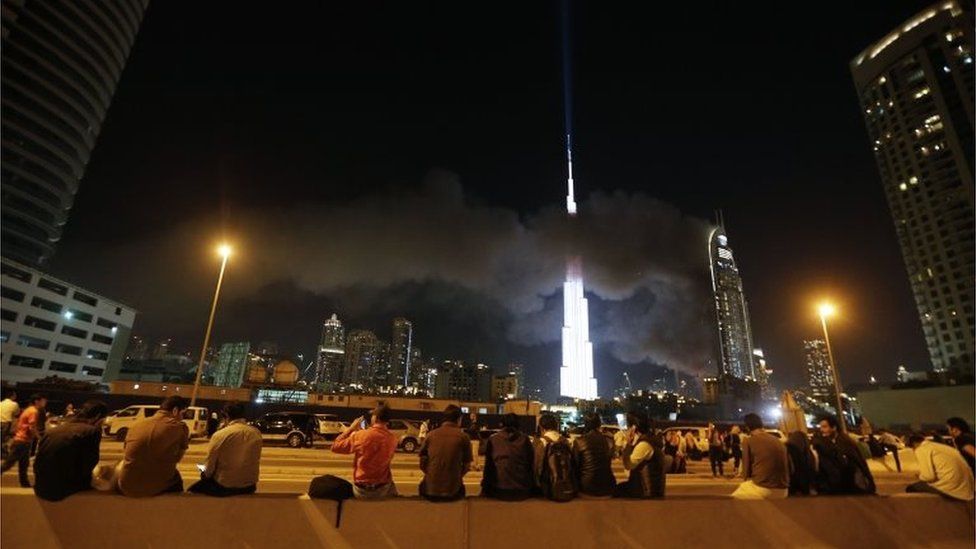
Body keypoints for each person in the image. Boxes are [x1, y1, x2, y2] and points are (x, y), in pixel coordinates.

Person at [33, 400, 107, 501]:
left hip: (40, 488)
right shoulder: (92, 431)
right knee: (105, 480)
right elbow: (90, 462)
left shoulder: (56, 429)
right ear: (98, 416)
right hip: (59, 491)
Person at [117, 396, 190, 497]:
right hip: (154, 488)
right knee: (176, 476)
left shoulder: (137, 425)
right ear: (175, 410)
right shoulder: (180, 427)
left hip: (126, 485)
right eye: (183, 414)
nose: (182, 418)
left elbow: (126, 451)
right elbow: (178, 458)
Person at [189, 402, 262, 497]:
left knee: (193, 489)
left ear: (226, 415)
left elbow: (209, 467)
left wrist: (204, 473)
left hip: (225, 486)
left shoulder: (220, 434)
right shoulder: (256, 433)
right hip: (250, 486)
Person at [330, 404, 398, 499]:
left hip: (361, 490)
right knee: (392, 485)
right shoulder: (393, 439)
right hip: (382, 489)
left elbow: (335, 447)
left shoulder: (360, 435)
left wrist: (351, 429)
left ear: (376, 418)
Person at [811, 414, 875, 495]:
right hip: (839, 486)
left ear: (834, 428)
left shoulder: (845, 442)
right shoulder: (828, 441)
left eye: (824, 427)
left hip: (851, 486)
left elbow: (855, 463)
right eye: (821, 427)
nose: (821, 430)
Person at [418, 405, 472, 501]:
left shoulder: (430, 435)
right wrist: (456, 477)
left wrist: (432, 474)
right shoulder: (463, 437)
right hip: (453, 492)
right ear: (459, 419)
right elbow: (467, 466)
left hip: (430, 491)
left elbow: (422, 464)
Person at [731, 413, 789, 499]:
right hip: (783, 489)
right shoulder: (778, 441)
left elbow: (746, 472)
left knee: (734, 499)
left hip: (763, 487)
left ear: (747, 427)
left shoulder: (748, 441)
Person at [905, 433, 974, 501]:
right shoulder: (941, 446)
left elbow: (929, 476)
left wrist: (920, 476)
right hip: (968, 488)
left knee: (912, 488)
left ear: (914, 445)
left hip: (954, 490)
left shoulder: (921, 449)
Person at [481, 413, 535, 500]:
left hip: (499, 490)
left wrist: (485, 487)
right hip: (521, 490)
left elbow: (488, 466)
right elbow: (530, 464)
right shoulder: (525, 439)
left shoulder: (493, 439)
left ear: (502, 424)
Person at [615, 413, 665, 498]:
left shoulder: (644, 444)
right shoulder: (649, 439)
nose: (625, 430)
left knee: (610, 490)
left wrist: (628, 443)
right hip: (648, 489)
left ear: (633, 428)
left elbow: (628, 465)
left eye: (627, 427)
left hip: (644, 491)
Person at [1, 393, 46, 487]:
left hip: (23, 441)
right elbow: (32, 427)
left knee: (24, 464)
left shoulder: (28, 410)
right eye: (43, 400)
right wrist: (40, 437)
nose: (45, 402)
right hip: (22, 441)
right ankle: (24, 483)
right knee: (9, 463)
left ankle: (25, 483)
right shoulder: (33, 411)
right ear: (37, 401)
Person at [571, 412, 616, 497]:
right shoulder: (609, 440)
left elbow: (575, 465)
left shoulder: (579, 441)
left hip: (586, 487)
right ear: (599, 424)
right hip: (608, 485)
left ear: (585, 424)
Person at [785, 431, 818, 495]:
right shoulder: (809, 454)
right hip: (805, 488)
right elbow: (813, 470)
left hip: (791, 488)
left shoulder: (788, 451)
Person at [0, 389, 19, 455]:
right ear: (12, 396)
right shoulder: (14, 404)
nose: (16, 396)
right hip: (6, 423)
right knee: (4, 439)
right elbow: (17, 414)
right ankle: (3, 454)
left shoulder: (1, 403)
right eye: (15, 395)